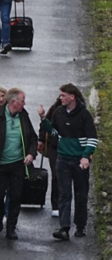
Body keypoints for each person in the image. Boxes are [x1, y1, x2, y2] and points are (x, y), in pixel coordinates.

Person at [39, 84, 98, 240]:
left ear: (72, 97)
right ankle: (64, 228)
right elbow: (53, 131)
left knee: (81, 194)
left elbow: (92, 139)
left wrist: (86, 156)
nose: (60, 98)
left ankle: (80, 225)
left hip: (79, 161)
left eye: (63, 95)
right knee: (64, 194)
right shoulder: (58, 112)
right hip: (63, 159)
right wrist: (44, 119)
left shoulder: (84, 115)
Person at [0, 88, 37, 240]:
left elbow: (33, 138)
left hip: (17, 164)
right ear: (13, 102)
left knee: (16, 197)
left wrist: (30, 153)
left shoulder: (24, 116)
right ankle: (0, 214)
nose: (24, 103)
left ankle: (11, 228)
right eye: (22, 100)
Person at [38, 97, 62, 216]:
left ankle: (64, 203)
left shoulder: (81, 111)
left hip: (71, 148)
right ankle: (56, 205)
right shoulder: (55, 109)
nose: (61, 98)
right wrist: (41, 139)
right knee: (57, 174)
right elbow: (45, 124)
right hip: (54, 146)